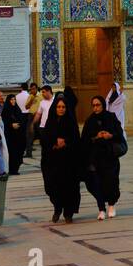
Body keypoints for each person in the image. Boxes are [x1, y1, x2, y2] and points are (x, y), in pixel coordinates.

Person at [81, 95, 126, 220]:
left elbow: (119, 134)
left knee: (111, 181)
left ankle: (111, 205)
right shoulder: (90, 121)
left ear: (103, 105)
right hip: (95, 158)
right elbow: (84, 138)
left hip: (109, 156)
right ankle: (101, 208)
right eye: (93, 105)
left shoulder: (110, 117)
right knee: (96, 183)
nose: (95, 108)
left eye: (98, 105)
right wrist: (96, 136)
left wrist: (110, 135)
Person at [39, 94, 82, 223]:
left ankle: (68, 213)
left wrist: (66, 142)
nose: (61, 109)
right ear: (55, 108)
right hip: (52, 161)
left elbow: (76, 139)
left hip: (68, 162)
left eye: (63, 107)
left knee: (69, 187)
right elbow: (44, 139)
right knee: (53, 186)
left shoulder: (71, 122)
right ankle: (57, 208)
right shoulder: (50, 122)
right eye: (58, 107)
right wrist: (54, 143)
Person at [2, 92, 28, 175]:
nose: (13, 101)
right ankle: (11, 169)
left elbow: (22, 120)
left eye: (14, 99)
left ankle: (15, 169)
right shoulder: (5, 110)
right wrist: (11, 125)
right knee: (11, 152)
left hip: (18, 135)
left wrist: (19, 125)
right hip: (10, 136)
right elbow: (3, 122)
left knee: (18, 152)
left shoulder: (17, 109)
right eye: (11, 100)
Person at [23, 83, 41, 158]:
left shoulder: (41, 96)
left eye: (34, 88)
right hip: (31, 116)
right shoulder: (30, 96)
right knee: (29, 135)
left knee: (42, 134)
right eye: (31, 89)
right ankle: (28, 153)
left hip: (39, 116)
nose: (32, 90)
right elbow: (26, 107)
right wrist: (31, 100)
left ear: (36, 89)